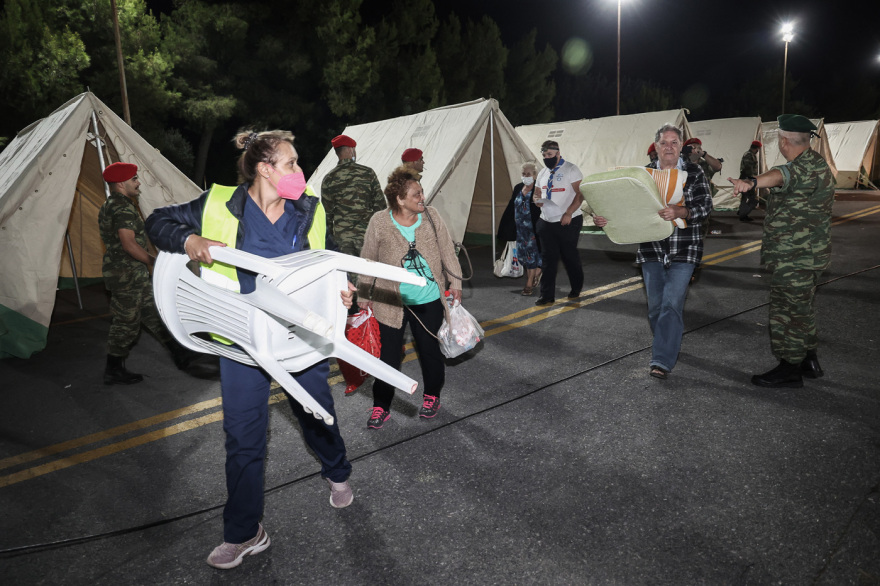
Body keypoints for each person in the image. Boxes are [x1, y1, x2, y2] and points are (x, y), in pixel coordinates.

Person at [145, 129, 355, 570]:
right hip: (242, 342)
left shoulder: (310, 209)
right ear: (265, 169)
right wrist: (189, 240)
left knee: (316, 415)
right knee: (242, 439)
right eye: (292, 163)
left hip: (298, 339)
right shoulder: (217, 204)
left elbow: (332, 259)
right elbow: (157, 222)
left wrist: (344, 288)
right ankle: (244, 532)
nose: (300, 171)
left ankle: (336, 470)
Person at [593, 124, 713, 379]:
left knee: (671, 303)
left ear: (681, 146)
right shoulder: (641, 175)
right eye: (664, 142)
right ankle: (668, 340)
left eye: (674, 142)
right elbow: (625, 208)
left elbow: (705, 206)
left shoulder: (694, 171)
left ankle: (662, 359)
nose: (669, 147)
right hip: (651, 248)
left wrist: (683, 211)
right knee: (656, 307)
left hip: (685, 247)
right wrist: (605, 218)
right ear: (656, 146)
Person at [728, 115, 835, 388]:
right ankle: (808, 359)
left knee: (786, 311)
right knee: (802, 308)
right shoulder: (815, 163)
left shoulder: (800, 168)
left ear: (784, 140)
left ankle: (790, 367)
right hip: (807, 254)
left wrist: (751, 183)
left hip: (796, 257)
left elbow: (780, 176)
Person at [358, 166, 462, 429]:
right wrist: (363, 293)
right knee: (388, 358)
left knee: (429, 352)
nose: (422, 198)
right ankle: (381, 405)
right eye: (416, 194)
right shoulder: (379, 222)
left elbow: (447, 250)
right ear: (400, 199)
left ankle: (432, 396)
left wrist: (456, 282)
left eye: (422, 192)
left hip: (428, 298)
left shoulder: (431, 216)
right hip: (390, 301)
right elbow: (368, 259)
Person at [97, 162, 198, 385]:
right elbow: (128, 243)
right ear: (121, 183)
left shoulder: (110, 205)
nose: (138, 182)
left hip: (129, 274)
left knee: (154, 314)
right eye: (134, 179)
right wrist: (153, 262)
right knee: (126, 323)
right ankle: (113, 369)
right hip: (127, 277)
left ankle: (182, 356)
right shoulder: (122, 208)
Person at [320, 134, 386, 288]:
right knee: (372, 273)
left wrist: (332, 239)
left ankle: (355, 302)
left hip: (343, 239)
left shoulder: (329, 178)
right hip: (367, 234)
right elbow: (380, 206)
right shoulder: (367, 173)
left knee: (350, 277)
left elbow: (327, 214)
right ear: (350, 150)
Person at [533, 140, 584, 305]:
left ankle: (576, 287)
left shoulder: (571, 169)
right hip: (546, 220)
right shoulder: (542, 173)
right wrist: (536, 200)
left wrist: (569, 213)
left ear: (558, 153)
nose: (546, 158)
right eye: (544, 155)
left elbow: (580, 194)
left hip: (568, 220)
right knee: (548, 259)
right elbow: (537, 193)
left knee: (569, 257)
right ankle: (546, 295)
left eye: (549, 154)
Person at [738, 140, 762, 222]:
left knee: (745, 197)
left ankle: (741, 211)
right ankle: (743, 214)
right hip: (747, 179)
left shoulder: (750, 154)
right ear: (757, 148)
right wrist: (751, 181)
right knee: (752, 198)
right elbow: (748, 169)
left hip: (746, 179)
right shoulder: (749, 155)